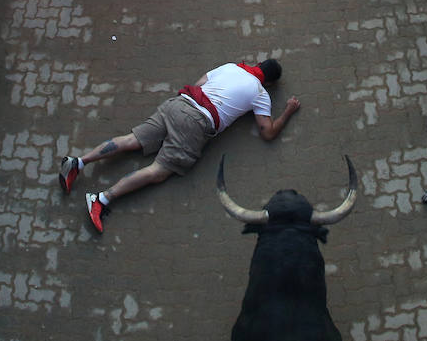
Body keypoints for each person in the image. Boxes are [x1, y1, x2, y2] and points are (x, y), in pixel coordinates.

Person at [57, 59, 299, 233]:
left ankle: (78, 163)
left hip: (179, 103)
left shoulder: (232, 66)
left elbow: (201, 80)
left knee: (132, 139)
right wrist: (287, 111)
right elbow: (267, 132)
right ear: (268, 82)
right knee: (159, 170)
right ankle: (101, 199)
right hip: (197, 123)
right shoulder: (259, 92)